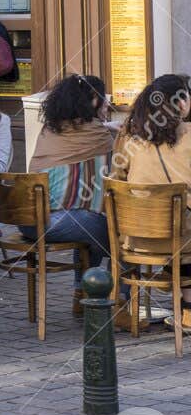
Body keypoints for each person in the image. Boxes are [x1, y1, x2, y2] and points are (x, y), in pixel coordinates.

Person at [113, 75, 191, 328]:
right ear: (181, 103)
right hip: (181, 240)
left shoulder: (128, 138)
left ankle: (122, 301)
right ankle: (188, 311)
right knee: (183, 231)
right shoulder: (189, 135)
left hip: (136, 239)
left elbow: (117, 180)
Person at [27, 73, 114, 253]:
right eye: (103, 97)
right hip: (53, 224)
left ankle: (87, 272)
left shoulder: (49, 129)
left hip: (25, 221)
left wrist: (107, 125)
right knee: (111, 227)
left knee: (86, 216)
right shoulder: (97, 134)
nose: (107, 103)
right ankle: (120, 271)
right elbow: (115, 173)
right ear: (94, 100)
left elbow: (77, 130)